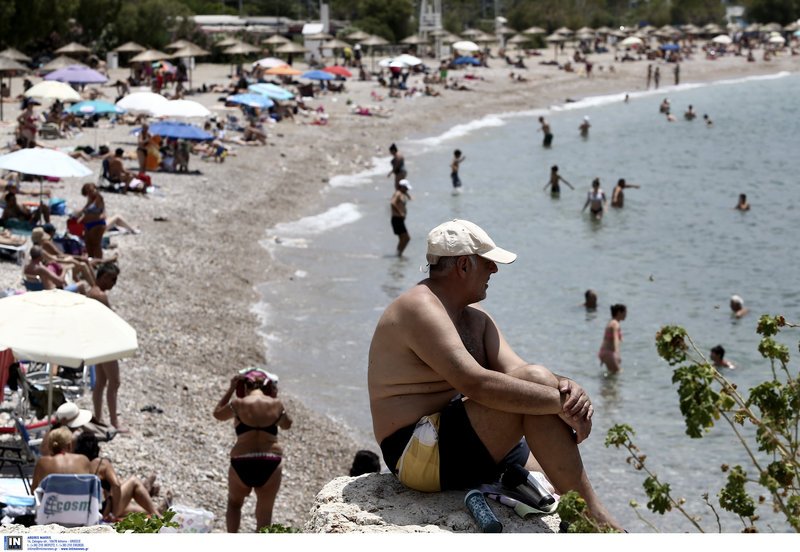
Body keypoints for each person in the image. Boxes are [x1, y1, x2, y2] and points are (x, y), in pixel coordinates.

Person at [368, 219, 622, 531]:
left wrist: (569, 389)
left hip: (460, 435)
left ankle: (579, 515)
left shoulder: (477, 320)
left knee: (554, 479)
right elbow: (475, 383)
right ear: (463, 265)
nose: (495, 271)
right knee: (538, 391)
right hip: (415, 451)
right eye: (488, 263)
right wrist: (559, 403)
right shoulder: (419, 307)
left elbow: (521, 373)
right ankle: (598, 523)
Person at [213, 368, 292, 532]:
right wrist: (275, 399)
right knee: (265, 514)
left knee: (234, 504)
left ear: (243, 387)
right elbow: (287, 425)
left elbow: (218, 414)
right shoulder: (276, 405)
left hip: (242, 460)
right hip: (270, 461)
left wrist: (230, 390)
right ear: (268, 387)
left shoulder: (238, 404)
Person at [74, 432, 164, 521]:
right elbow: (116, 485)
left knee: (127, 507)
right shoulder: (101, 463)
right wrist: (114, 513)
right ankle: (156, 513)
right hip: (102, 511)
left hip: (84, 509)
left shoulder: (76, 464)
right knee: (134, 481)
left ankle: (155, 507)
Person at [87, 263, 126, 432]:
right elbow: (112, 322)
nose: (114, 283)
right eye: (112, 279)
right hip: (105, 343)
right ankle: (114, 422)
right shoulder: (100, 295)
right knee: (114, 382)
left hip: (96, 341)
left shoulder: (91, 292)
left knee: (101, 382)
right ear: (103, 277)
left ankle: (98, 417)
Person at [31, 427, 94, 492]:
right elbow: (93, 485)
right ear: (69, 445)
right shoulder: (83, 460)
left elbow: (33, 491)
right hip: (81, 501)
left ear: (50, 445)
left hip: (52, 501)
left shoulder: (42, 462)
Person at [23, 246, 90, 293]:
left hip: (35, 293)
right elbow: (60, 281)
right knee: (82, 284)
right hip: (50, 294)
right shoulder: (41, 269)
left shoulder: (26, 267)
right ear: (41, 256)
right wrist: (65, 270)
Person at [74, 183, 106, 259]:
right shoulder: (89, 199)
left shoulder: (98, 198)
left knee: (96, 244)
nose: (89, 191)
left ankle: (99, 261)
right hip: (88, 224)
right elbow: (85, 211)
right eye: (87, 190)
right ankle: (91, 260)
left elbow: (98, 195)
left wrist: (94, 190)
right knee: (88, 244)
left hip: (97, 224)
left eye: (90, 189)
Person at [598, 304, 626, 374]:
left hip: (605, 352)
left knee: (612, 375)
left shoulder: (611, 322)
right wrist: (617, 354)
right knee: (618, 372)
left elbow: (605, 339)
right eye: (625, 312)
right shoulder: (615, 324)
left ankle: (605, 384)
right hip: (609, 353)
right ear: (619, 312)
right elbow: (615, 339)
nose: (626, 315)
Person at [390, 179, 412, 257]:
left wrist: (408, 195)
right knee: (407, 238)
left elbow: (406, 195)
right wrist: (400, 212)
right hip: (397, 219)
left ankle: (398, 254)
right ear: (402, 187)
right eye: (406, 188)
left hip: (399, 219)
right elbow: (393, 203)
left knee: (402, 239)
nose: (407, 190)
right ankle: (399, 254)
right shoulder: (398, 194)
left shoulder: (402, 193)